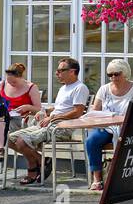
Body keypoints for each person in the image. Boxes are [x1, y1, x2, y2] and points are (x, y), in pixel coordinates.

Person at [6, 57, 89, 185]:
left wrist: (52, 117)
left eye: (60, 70)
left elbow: (77, 112)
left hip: (61, 128)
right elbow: (58, 109)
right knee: (8, 139)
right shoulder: (63, 88)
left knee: (22, 141)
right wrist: (44, 111)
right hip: (49, 124)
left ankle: (33, 169)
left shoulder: (80, 88)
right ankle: (43, 160)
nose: (57, 73)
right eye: (57, 71)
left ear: (72, 71)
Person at [84, 58, 133, 191]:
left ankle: (123, 177)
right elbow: (95, 110)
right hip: (106, 127)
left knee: (125, 141)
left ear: (125, 73)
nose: (113, 77)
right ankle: (97, 179)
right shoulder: (104, 89)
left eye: (116, 74)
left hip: (128, 127)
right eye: (110, 75)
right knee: (91, 140)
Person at [0, 63, 42, 183]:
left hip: (19, 121)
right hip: (2, 118)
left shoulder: (31, 87)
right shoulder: (2, 84)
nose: (11, 84)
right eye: (9, 82)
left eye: (14, 82)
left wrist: (27, 107)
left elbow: (39, 109)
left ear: (21, 77)